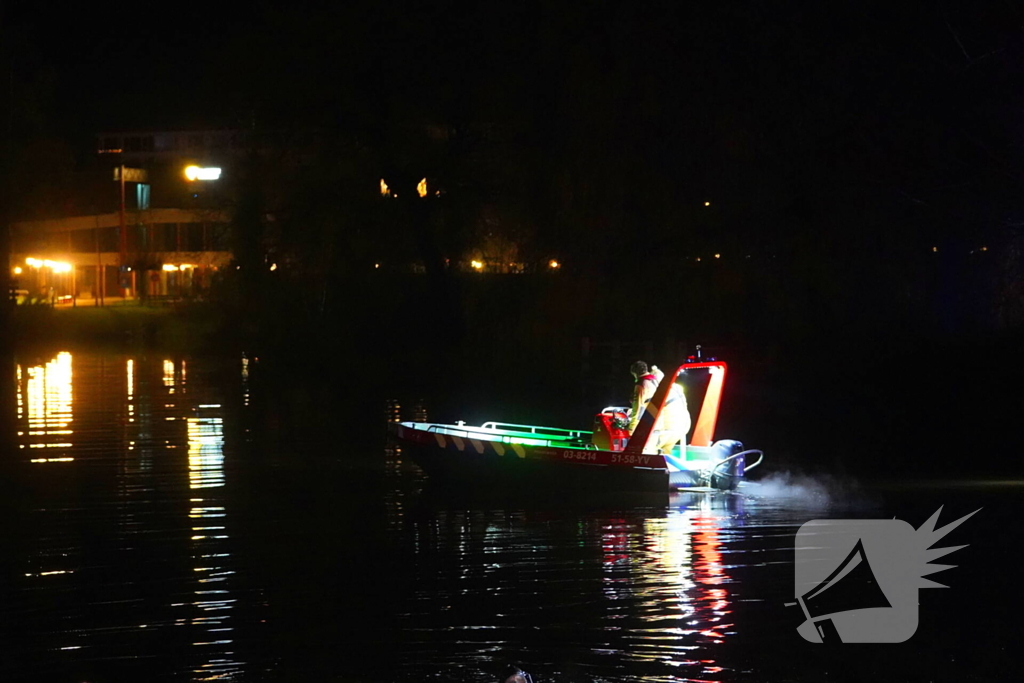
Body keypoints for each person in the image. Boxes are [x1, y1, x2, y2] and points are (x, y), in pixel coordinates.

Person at [627, 360, 690, 455]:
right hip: (683, 426)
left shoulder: (641, 385)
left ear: (634, 373)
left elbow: (638, 410)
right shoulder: (672, 386)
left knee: (647, 451)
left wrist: (631, 429)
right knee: (666, 452)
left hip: (666, 428)